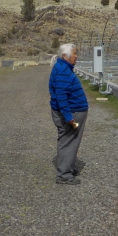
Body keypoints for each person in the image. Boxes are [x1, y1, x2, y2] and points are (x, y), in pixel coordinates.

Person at [49, 43, 89, 185]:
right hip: (71, 114)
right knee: (68, 142)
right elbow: (61, 97)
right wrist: (69, 118)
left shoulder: (63, 68)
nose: (76, 56)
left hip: (73, 112)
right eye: (74, 54)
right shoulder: (63, 71)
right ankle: (64, 175)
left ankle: (67, 169)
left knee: (70, 141)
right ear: (65, 56)